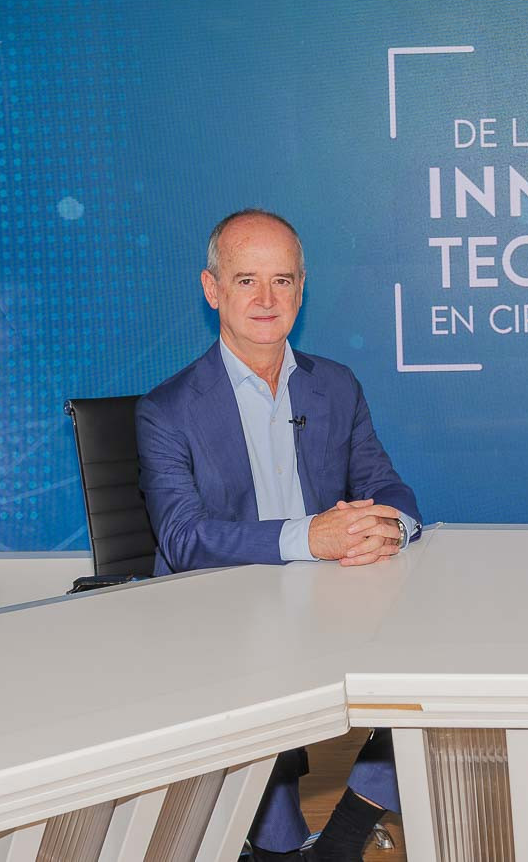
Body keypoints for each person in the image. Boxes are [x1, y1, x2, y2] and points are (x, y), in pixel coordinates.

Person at [137, 209, 421, 862]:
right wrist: (311, 538)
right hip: (221, 616)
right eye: (246, 281)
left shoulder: (335, 385)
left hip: (332, 603)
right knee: (259, 686)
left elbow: (389, 486)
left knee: (431, 664)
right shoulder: (167, 409)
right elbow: (183, 538)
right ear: (213, 289)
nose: (266, 299)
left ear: (301, 288)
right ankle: (277, 843)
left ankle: (344, 835)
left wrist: (386, 529)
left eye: (282, 281)